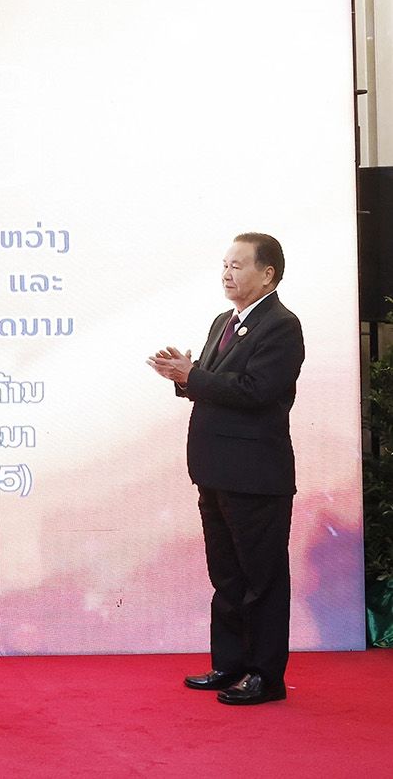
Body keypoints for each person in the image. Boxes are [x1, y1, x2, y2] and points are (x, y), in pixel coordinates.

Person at [147, 233, 304, 705]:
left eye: (237, 265)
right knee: (227, 575)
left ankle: (264, 675)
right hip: (215, 470)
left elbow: (256, 391)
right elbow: (214, 384)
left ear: (268, 274)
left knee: (262, 578)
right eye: (224, 265)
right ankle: (230, 662)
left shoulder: (281, 325)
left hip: (256, 475)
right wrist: (184, 375)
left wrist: (193, 377)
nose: (227, 273)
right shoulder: (223, 321)